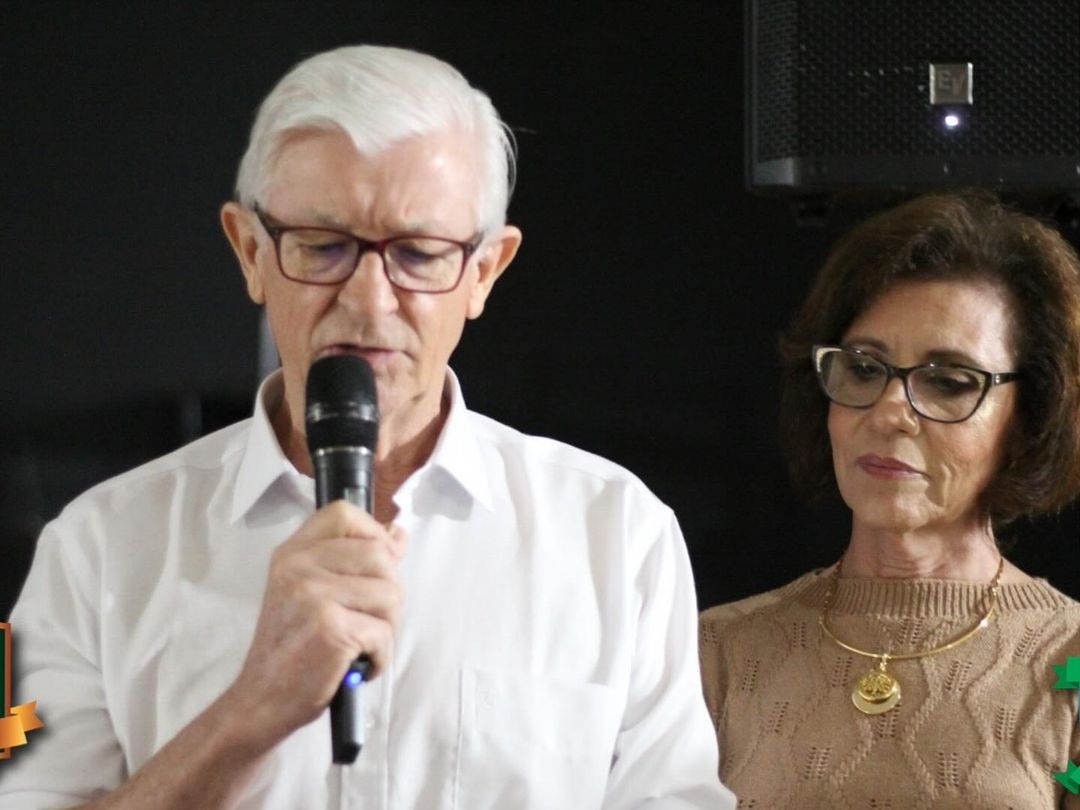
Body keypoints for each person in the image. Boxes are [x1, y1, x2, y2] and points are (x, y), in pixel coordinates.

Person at [1, 45, 733, 809]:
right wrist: (252, 709)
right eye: (322, 247)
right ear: (250, 252)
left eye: (418, 254)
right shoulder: (89, 549)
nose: (370, 301)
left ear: (485, 271)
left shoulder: (619, 534)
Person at [699, 191, 1080, 808]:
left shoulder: (1071, 659)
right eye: (863, 369)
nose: (889, 413)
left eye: (949, 382)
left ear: (1030, 418)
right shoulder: (715, 652)